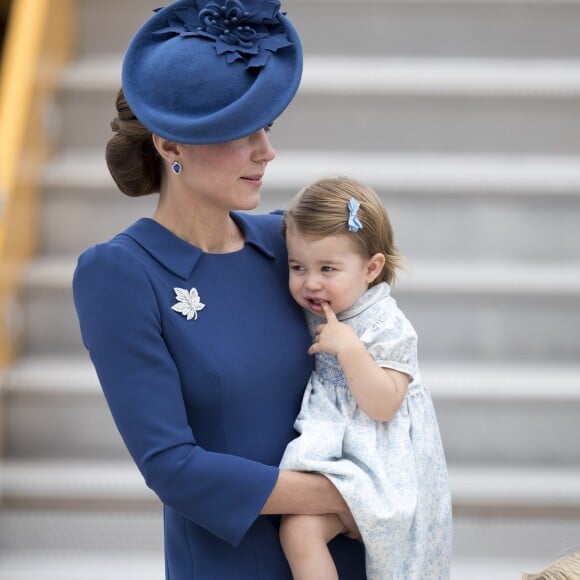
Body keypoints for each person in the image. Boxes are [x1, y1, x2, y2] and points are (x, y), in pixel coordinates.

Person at [72, 1, 366, 579]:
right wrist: (344, 496)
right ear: (169, 145)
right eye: (239, 132)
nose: (266, 151)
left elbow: (379, 358)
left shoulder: (288, 244)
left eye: (267, 127)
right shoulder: (120, 273)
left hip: (352, 552)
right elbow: (172, 467)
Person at [278, 176, 453, 579]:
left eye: (328, 268)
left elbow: (384, 404)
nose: (311, 282)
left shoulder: (386, 325)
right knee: (298, 529)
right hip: (338, 453)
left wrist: (352, 349)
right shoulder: (316, 306)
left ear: (371, 268)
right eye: (297, 266)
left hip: (382, 462)